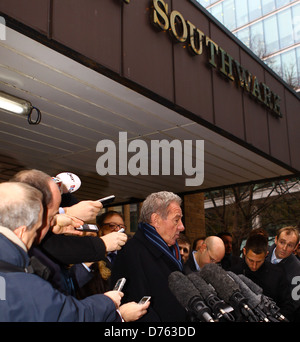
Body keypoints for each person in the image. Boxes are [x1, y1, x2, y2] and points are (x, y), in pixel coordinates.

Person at [0, 182, 123, 322]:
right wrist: (109, 303)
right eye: (37, 231)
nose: (39, 237)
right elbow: (70, 315)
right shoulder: (24, 284)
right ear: (21, 231)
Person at [111, 191, 187, 322]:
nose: (182, 226)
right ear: (156, 220)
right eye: (176, 220)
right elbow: (136, 308)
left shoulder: (170, 252)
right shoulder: (132, 253)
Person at [230, 233, 295, 321]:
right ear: (244, 252)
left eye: (259, 261)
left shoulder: (277, 274)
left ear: (266, 254)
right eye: (250, 260)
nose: (254, 265)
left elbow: (287, 306)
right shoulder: (233, 272)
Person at [265, 226, 300, 321]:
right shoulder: (262, 254)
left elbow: (295, 302)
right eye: (282, 242)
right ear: (276, 240)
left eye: (290, 245)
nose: (284, 248)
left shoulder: (297, 269)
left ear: (296, 247)